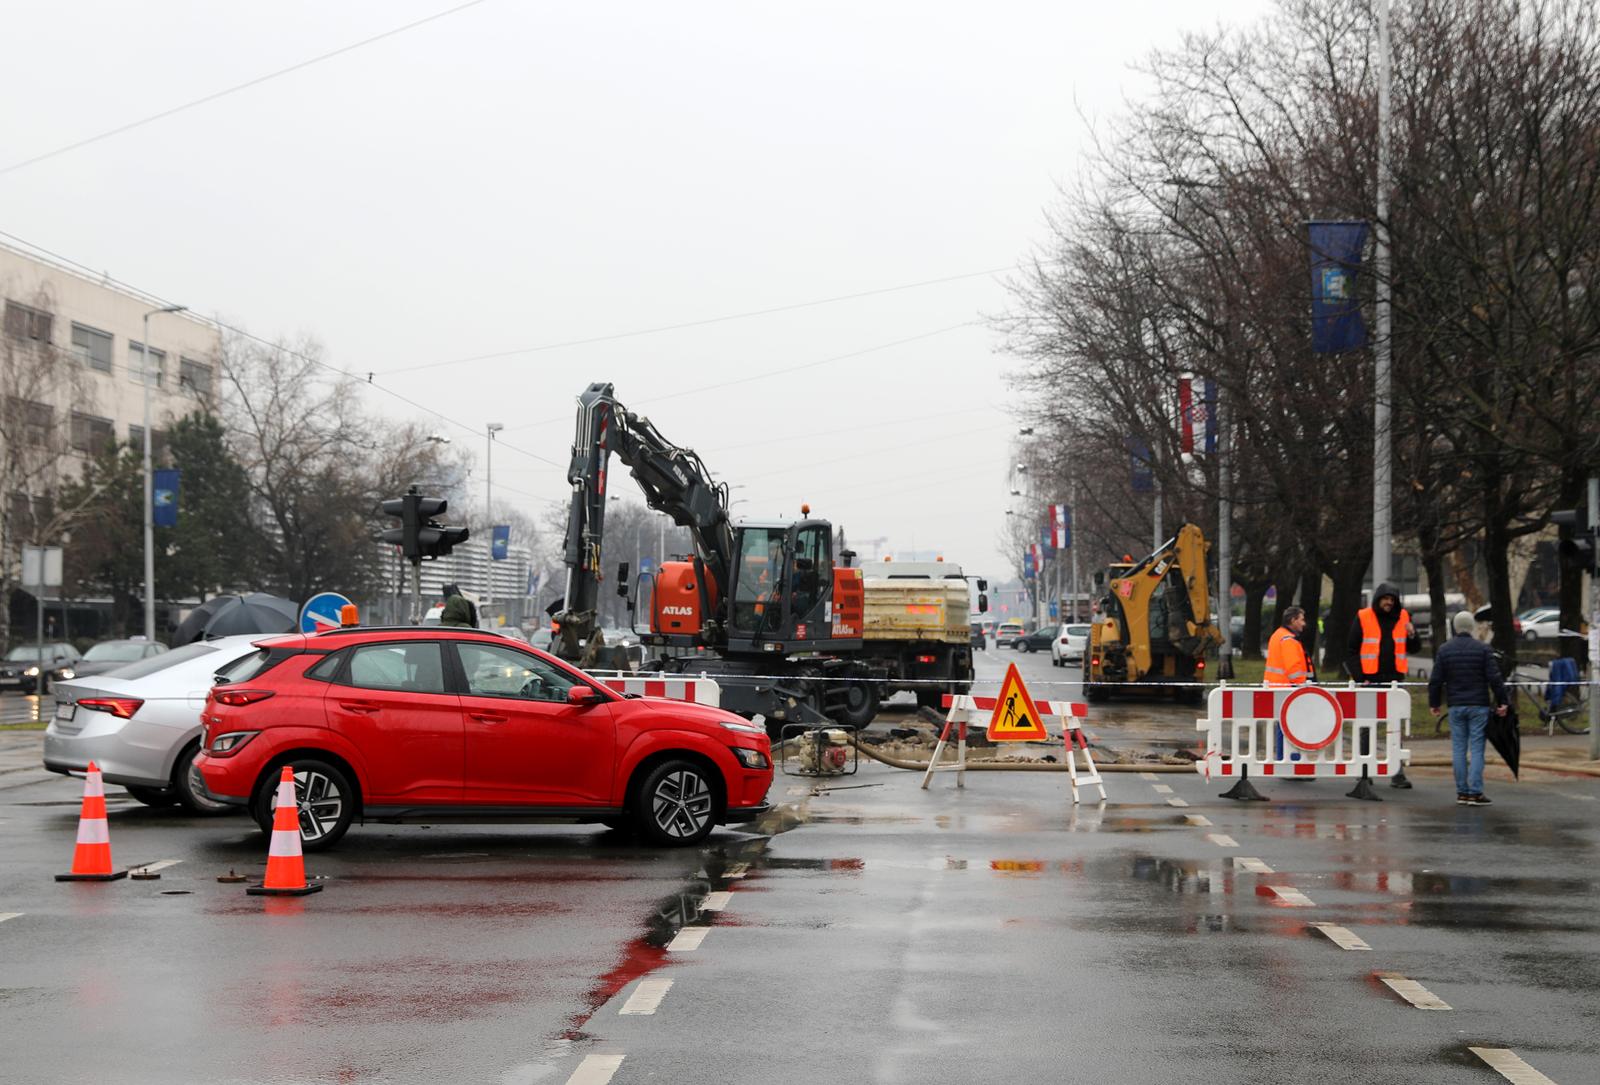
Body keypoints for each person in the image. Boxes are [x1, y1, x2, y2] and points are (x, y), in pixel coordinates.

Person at [1428, 610, 1509, 806]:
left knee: (1458, 749)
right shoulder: (1483, 649)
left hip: (1456, 706)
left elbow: (1436, 680)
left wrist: (1434, 703)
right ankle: (1475, 792)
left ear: (1455, 628)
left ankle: (1462, 792)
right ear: (1471, 627)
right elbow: (1494, 678)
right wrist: (1502, 701)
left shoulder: (1445, 650)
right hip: (1478, 705)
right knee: (1477, 749)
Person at [1345, 582, 1419, 684]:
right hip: (1370, 680)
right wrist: (1360, 678)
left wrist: (1412, 635)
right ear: (1378, 598)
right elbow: (1352, 651)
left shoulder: (1404, 617)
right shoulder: (1363, 616)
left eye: (1392, 600)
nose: (1389, 602)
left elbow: (1414, 649)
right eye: (1386, 598)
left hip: (1396, 680)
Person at [1264, 606, 1311, 687]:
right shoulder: (1288, 639)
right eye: (1302, 620)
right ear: (1293, 620)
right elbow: (1293, 668)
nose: (1304, 624)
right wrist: (1303, 686)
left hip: (1274, 686)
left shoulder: (1278, 634)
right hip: (1286, 688)